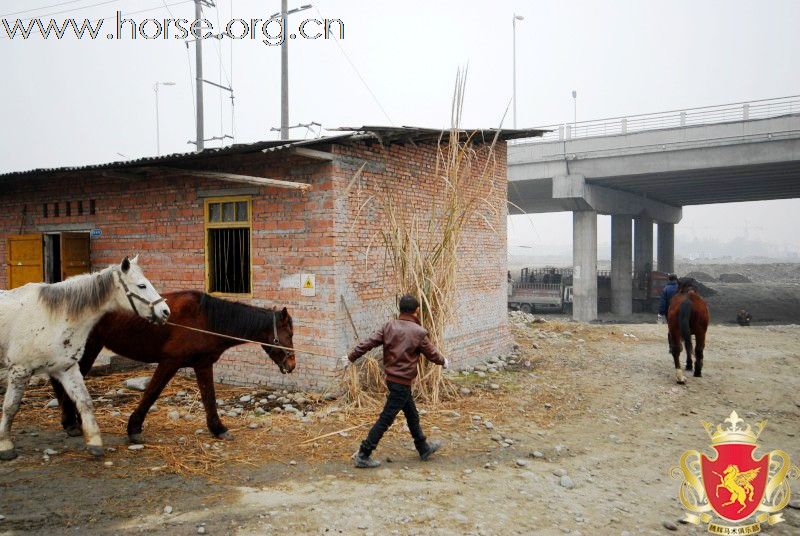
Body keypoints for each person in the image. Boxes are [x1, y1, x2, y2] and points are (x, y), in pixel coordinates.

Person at [340, 294, 448, 468]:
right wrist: (443, 361)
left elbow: (368, 343)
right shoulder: (419, 332)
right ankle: (364, 453)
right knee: (386, 419)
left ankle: (423, 447)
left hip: (392, 379)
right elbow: (432, 353)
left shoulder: (389, 326)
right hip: (402, 381)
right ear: (417, 310)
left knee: (412, 414)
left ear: (401, 309)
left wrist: (351, 357)